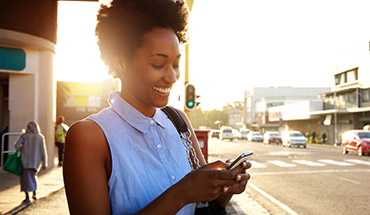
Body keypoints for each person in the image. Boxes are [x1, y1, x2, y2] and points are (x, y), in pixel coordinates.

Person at [63, 0, 251, 214]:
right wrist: (182, 192)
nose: (172, 77)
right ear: (121, 62)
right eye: (158, 65)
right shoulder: (89, 137)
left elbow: (205, 206)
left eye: (176, 64)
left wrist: (224, 187)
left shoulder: (178, 120)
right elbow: (185, 194)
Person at [15, 121, 47, 204]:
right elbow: (43, 151)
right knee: (33, 177)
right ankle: (34, 193)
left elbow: (17, 146)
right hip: (35, 161)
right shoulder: (40, 137)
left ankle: (27, 197)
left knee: (25, 179)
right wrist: (44, 163)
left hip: (25, 161)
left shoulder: (24, 136)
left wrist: (23, 149)